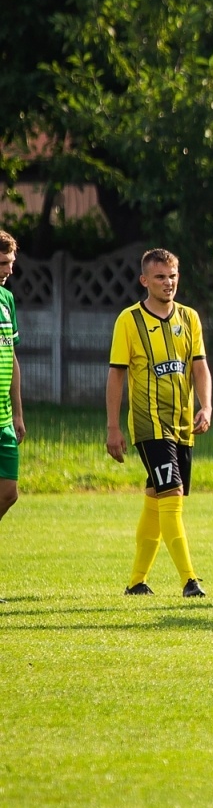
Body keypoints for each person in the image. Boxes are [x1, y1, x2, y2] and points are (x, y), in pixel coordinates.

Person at [106, 248, 213, 598]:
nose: (168, 283)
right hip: (148, 423)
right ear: (144, 281)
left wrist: (206, 406)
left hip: (182, 424)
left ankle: (136, 582)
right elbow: (116, 376)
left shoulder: (189, 318)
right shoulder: (129, 320)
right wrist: (113, 427)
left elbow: (199, 366)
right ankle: (189, 580)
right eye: (160, 277)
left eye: (173, 276)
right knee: (172, 493)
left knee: (156, 496)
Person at [0, 230, 22, 604]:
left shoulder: (6, 300)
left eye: (11, 263)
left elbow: (13, 356)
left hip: (3, 417)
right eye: (3, 263)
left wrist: (18, 412)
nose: (8, 270)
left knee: (9, 493)